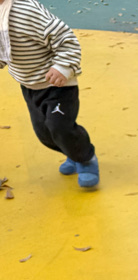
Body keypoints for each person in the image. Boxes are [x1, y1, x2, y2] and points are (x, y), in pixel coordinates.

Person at [0, 0, 99, 187]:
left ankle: (86, 159)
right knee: (44, 133)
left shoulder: (27, 10)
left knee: (59, 126)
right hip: (30, 86)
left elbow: (66, 39)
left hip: (58, 85)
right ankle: (73, 153)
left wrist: (62, 67)